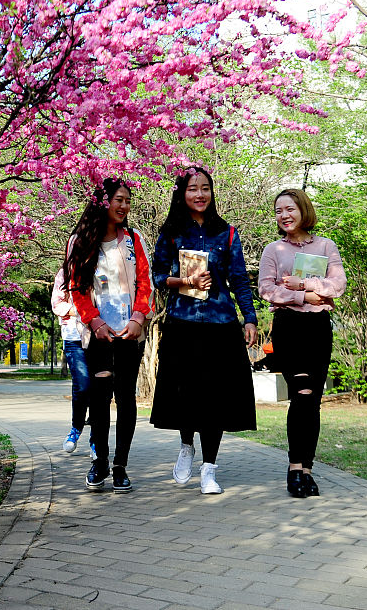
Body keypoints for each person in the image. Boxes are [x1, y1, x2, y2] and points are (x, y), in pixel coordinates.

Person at [150, 167, 258, 494]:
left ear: (212, 192)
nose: (200, 194)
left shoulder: (227, 233)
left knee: (215, 398)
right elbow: (156, 276)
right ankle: (186, 447)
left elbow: (239, 278)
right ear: (182, 194)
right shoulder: (171, 233)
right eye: (193, 188)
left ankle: (209, 469)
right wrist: (185, 281)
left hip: (220, 324)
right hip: (182, 322)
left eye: (205, 188)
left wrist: (249, 318)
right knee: (185, 394)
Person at [64, 178, 152, 492]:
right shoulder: (80, 241)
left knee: (126, 397)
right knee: (99, 398)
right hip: (96, 334)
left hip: (130, 333)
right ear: (103, 201)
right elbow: (76, 288)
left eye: (127, 200)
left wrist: (139, 318)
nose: (124, 206)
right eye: (118, 199)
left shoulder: (133, 239)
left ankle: (120, 466)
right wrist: (95, 322)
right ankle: (99, 461)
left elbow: (146, 283)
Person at [258, 188, 347, 498]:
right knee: (302, 392)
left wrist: (304, 283)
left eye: (290, 209)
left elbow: (338, 285)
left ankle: (306, 469)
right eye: (279, 210)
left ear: (303, 210)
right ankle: (294, 468)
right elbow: (266, 290)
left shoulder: (326, 246)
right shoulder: (273, 250)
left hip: (318, 328)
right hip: (289, 328)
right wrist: (304, 296)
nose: (284, 215)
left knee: (312, 399)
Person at [51, 268, 94, 459]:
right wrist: (80, 310)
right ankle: (76, 429)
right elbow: (57, 304)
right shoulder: (64, 274)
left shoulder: (102, 267)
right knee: (82, 386)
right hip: (73, 337)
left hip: (99, 334)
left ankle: (96, 439)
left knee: (99, 387)